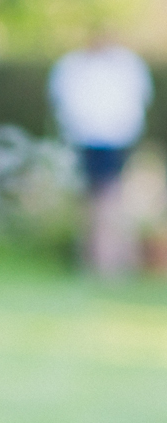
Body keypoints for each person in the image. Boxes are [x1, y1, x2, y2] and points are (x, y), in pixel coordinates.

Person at [50, 28, 154, 276]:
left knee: (108, 197)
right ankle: (99, 257)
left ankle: (109, 259)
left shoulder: (126, 65)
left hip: (114, 138)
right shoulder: (73, 66)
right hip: (87, 138)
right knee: (95, 198)